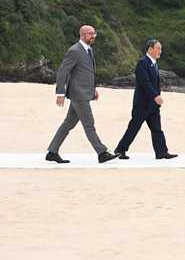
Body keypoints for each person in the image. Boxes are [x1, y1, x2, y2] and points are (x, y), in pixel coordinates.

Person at [45, 24, 114, 164]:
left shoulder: (89, 50)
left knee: (68, 124)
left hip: (83, 92)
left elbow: (87, 73)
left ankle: (52, 152)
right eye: (91, 34)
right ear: (83, 35)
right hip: (78, 94)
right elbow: (63, 71)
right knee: (89, 123)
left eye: (94, 33)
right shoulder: (74, 51)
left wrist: (93, 89)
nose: (93, 36)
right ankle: (102, 153)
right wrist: (60, 92)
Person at [112, 39, 177, 161]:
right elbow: (145, 82)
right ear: (150, 49)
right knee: (134, 127)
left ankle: (162, 152)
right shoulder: (142, 63)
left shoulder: (154, 64)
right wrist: (155, 96)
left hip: (153, 105)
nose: (160, 51)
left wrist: (156, 98)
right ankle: (120, 150)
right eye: (158, 48)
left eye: (160, 49)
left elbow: (154, 83)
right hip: (142, 104)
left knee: (157, 128)